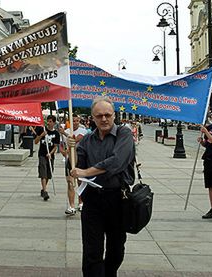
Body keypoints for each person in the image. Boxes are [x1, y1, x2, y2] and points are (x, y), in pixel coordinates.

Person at [70, 97, 135, 277]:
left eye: (107, 115)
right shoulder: (87, 139)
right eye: (99, 116)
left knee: (116, 249)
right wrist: (71, 151)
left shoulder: (124, 134)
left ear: (114, 115)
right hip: (93, 200)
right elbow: (76, 169)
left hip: (117, 198)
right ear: (92, 117)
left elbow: (117, 162)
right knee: (92, 250)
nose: (104, 119)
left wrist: (87, 172)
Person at [59, 114, 88, 215]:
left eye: (77, 121)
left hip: (80, 160)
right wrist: (63, 151)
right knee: (70, 183)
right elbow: (62, 145)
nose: (75, 123)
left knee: (80, 182)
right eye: (73, 121)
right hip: (69, 160)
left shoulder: (83, 131)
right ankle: (71, 206)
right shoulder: (66, 132)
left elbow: (76, 140)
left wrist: (65, 134)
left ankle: (81, 203)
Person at [32, 115, 60, 201]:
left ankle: (43, 188)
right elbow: (36, 142)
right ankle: (45, 191)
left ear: (54, 123)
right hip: (42, 154)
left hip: (50, 156)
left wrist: (50, 153)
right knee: (43, 172)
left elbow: (55, 146)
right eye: (48, 121)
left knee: (48, 173)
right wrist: (41, 135)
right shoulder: (42, 130)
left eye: (50, 121)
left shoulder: (56, 134)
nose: (48, 123)